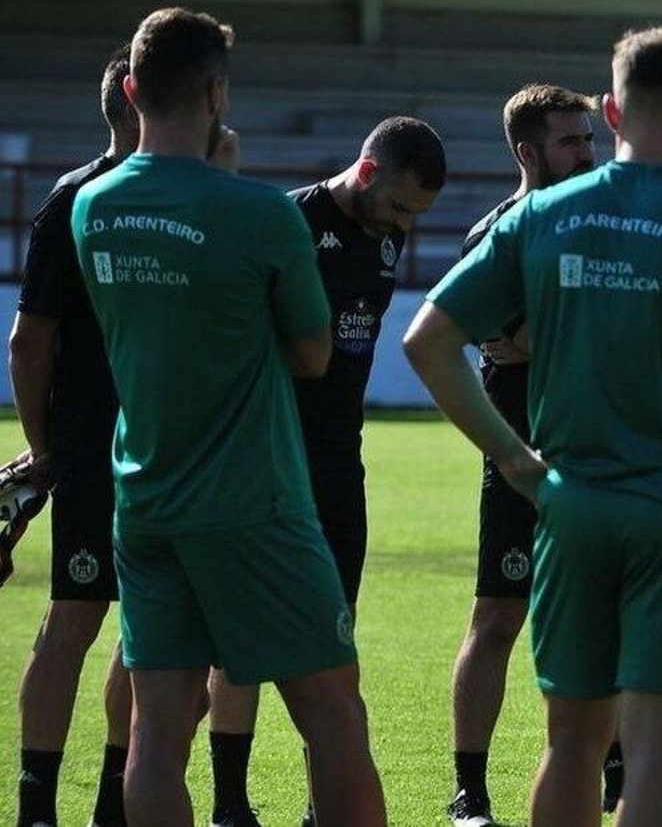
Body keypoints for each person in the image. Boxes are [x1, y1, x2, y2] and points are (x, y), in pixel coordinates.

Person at [405, 27, 662, 827]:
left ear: (612, 109)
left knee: (571, 745)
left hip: (571, 502)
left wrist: (516, 459)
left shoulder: (543, 217)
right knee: (657, 748)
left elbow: (427, 341)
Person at [70, 6, 386, 826]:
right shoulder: (260, 214)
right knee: (332, 716)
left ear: (132, 89)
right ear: (217, 93)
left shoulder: (91, 208)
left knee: (157, 733)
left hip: (143, 498)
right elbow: (315, 353)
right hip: (253, 501)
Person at [206, 116, 444, 827]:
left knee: (335, 643)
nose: (404, 224)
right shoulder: (286, 222)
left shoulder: (387, 233)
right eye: (400, 206)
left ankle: (321, 807)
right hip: (270, 459)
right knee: (237, 643)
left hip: (342, 461)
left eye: (415, 215)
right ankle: (229, 804)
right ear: (368, 173)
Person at [445, 83, 595, 827]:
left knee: (613, 619)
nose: (588, 152)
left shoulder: (607, 227)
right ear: (528, 152)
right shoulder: (495, 233)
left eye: (589, 139)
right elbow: (502, 335)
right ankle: (469, 789)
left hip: (603, 453)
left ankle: (621, 775)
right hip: (518, 457)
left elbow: (546, 333)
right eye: (571, 142)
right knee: (498, 618)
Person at [9, 44, 136, 827]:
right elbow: (30, 342)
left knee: (73, 622)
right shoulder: (95, 196)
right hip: (166, 451)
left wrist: (47, 448)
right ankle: (109, 805)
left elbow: (29, 344)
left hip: (90, 451)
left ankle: (37, 808)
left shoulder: (72, 196)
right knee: (143, 629)